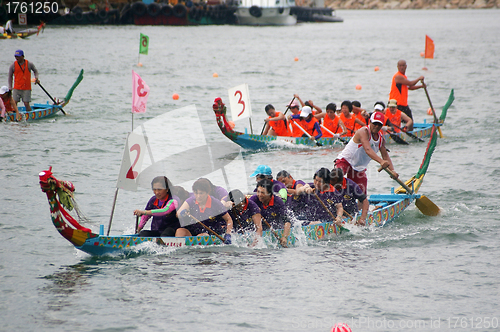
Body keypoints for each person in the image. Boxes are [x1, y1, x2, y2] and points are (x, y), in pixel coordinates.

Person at [334, 111, 398, 195]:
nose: (376, 126)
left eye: (379, 124)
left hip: (358, 168)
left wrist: (392, 171)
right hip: (345, 161)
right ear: (370, 122)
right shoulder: (363, 131)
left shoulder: (381, 140)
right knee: (336, 180)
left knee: (361, 195)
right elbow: (368, 149)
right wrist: (381, 162)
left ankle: (359, 208)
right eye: (374, 123)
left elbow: (385, 156)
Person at [175, 178, 233, 244]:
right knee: (180, 231)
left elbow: (229, 220)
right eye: (196, 193)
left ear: (207, 193)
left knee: (201, 236)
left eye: (201, 193)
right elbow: (178, 214)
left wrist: (228, 234)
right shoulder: (191, 200)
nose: (198, 196)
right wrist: (182, 213)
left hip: (210, 232)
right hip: (194, 230)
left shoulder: (216, 203)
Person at [249, 179, 290, 247]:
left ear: (270, 193)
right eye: (258, 192)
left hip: (275, 228)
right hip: (260, 228)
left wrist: (284, 237)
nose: (259, 195)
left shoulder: (278, 202)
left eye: (263, 193)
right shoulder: (254, 199)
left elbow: (287, 221)